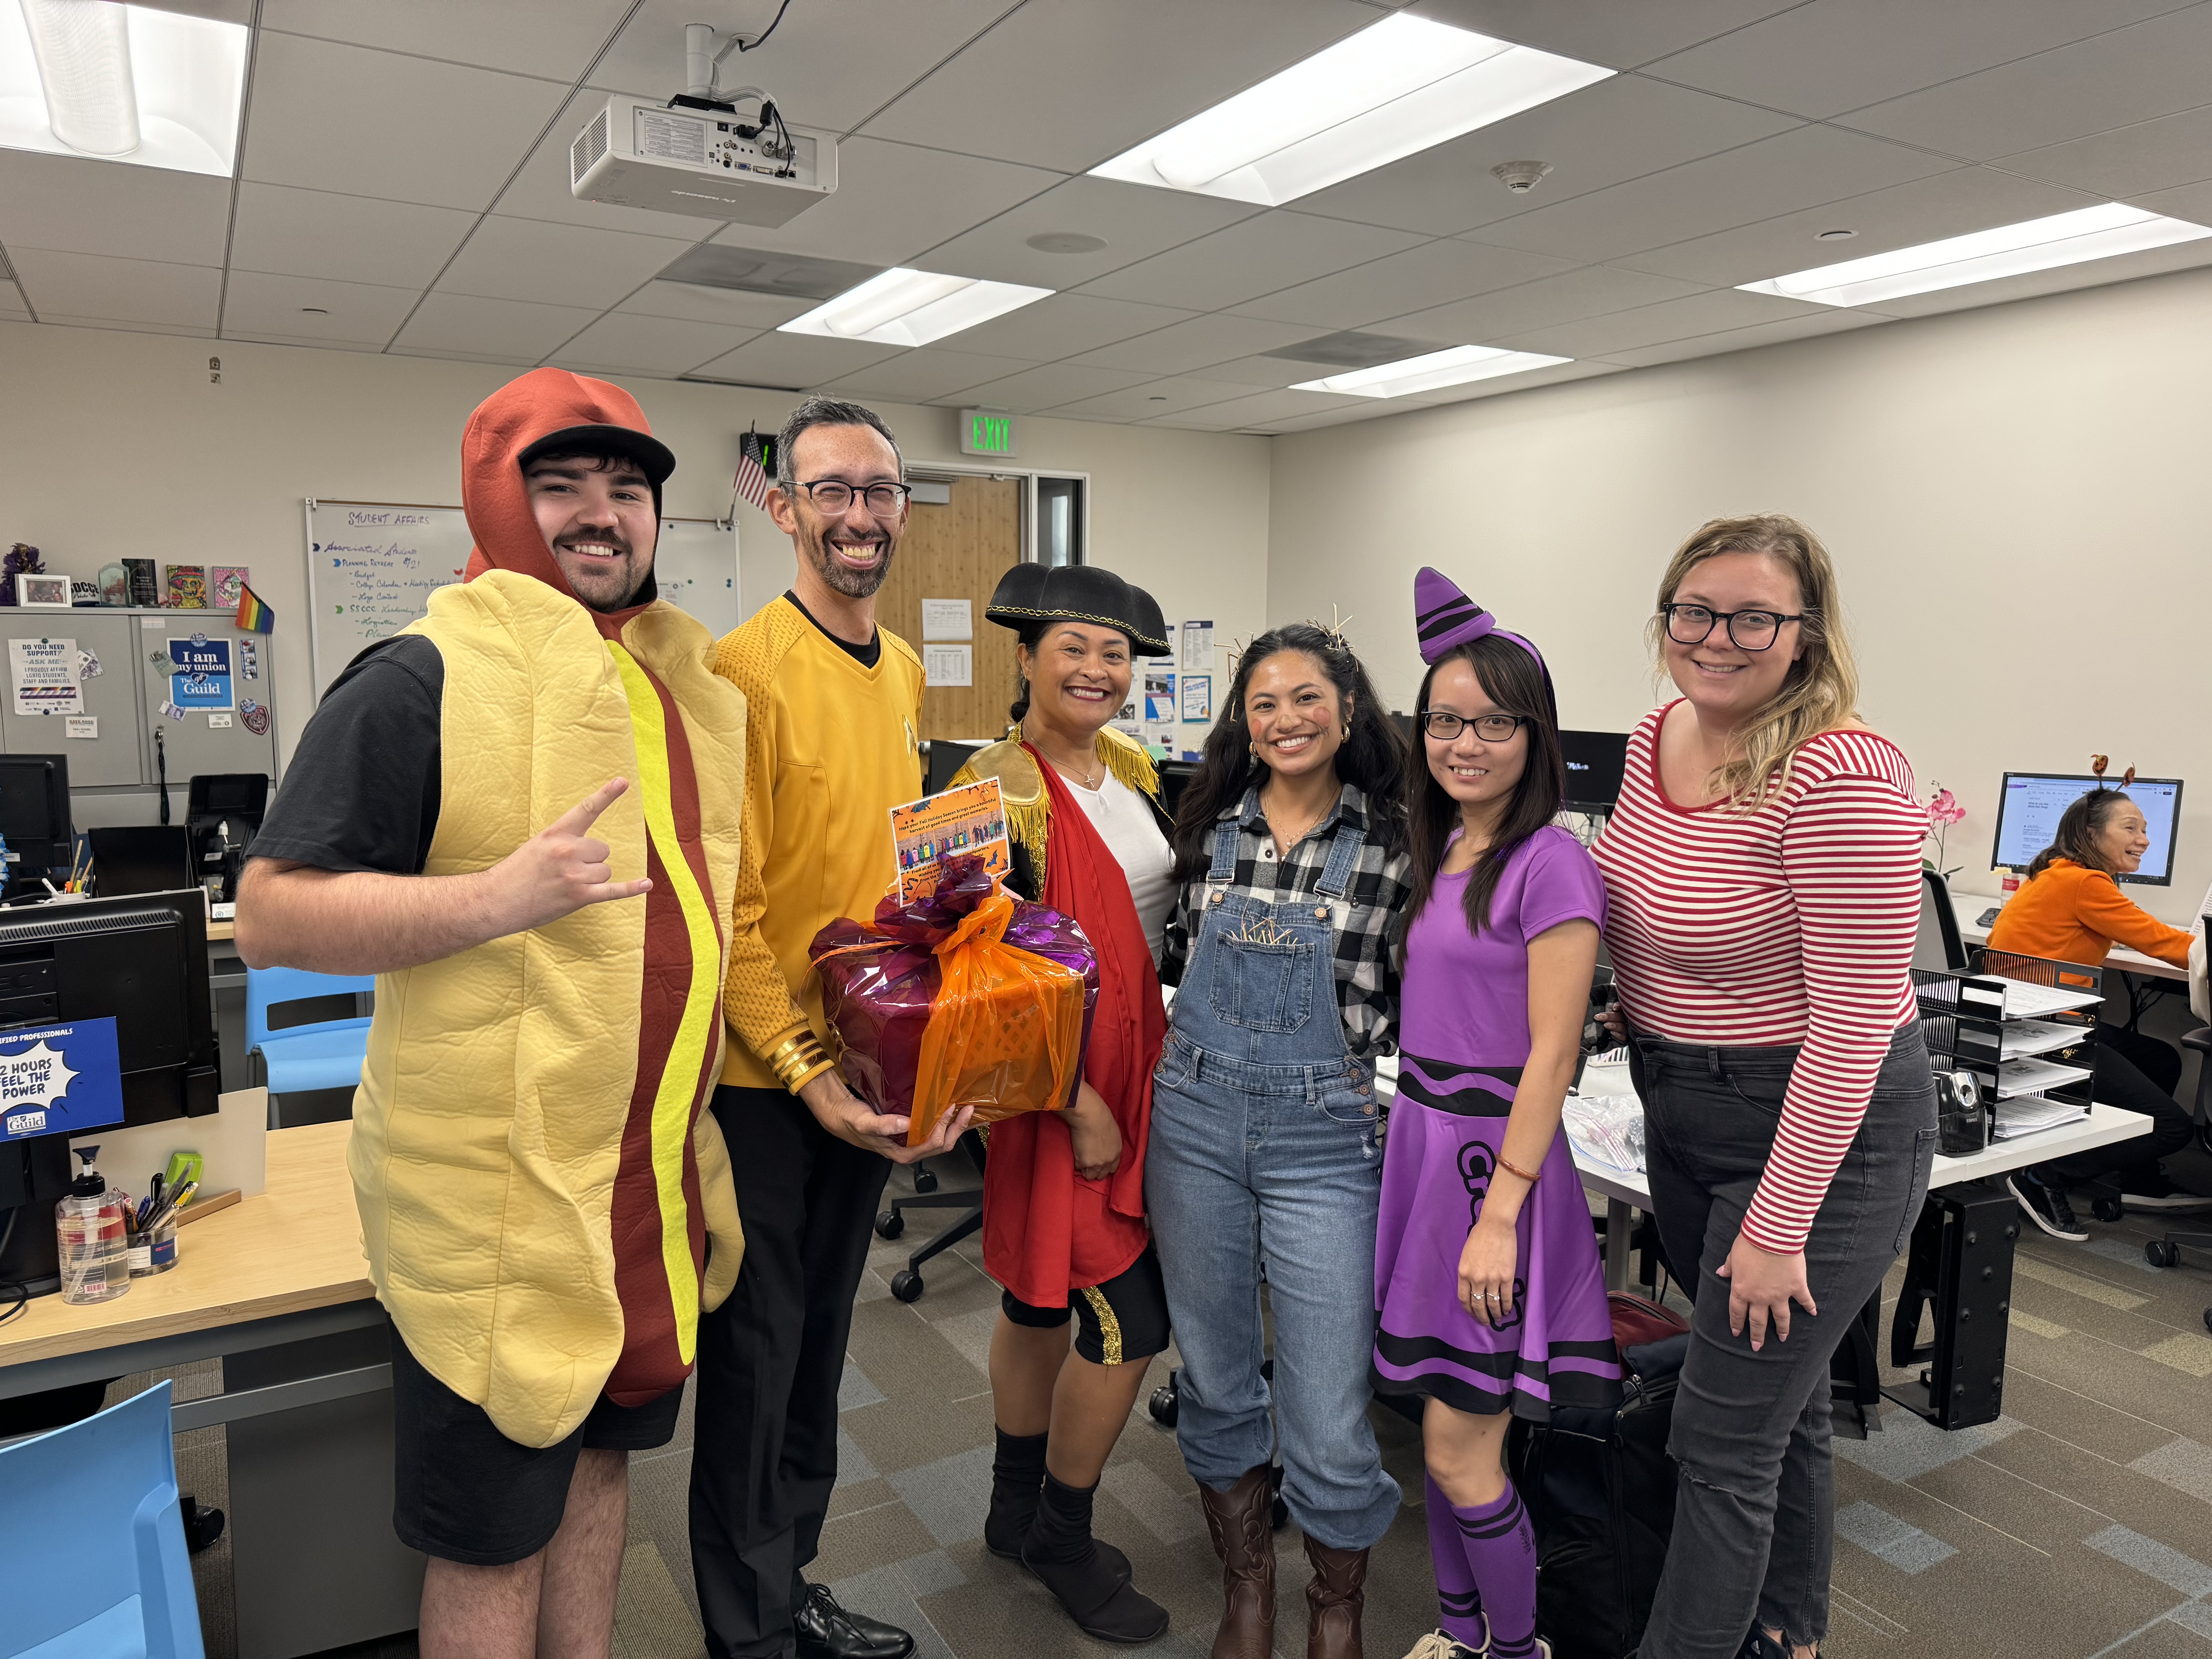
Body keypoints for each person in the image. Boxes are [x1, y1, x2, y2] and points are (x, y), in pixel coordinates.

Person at [237, 368, 748, 1658]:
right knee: (489, 1539)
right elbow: (272, 914)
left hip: (638, 1197)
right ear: (495, 497)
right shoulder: (419, 675)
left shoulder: (672, 681)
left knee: (595, 1480)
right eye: (561, 482)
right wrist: (491, 900)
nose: (600, 512)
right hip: (493, 1213)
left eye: (627, 487)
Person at [1591, 515, 1936, 1659]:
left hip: (1814, 1134)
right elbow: (1634, 912)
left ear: (1803, 633)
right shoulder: (1652, 741)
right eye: (1694, 610)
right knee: (1771, 1414)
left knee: (1718, 1439)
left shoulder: (1838, 773)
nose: (1717, 637)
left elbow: (1847, 1027)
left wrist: (1781, 1223)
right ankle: (1785, 1633)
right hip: (1679, 1114)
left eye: (1753, 617)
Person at [689, 397, 971, 1659]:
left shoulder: (903, 668)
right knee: (755, 1358)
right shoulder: (739, 671)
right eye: (832, 491)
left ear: (901, 507)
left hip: (869, 1070)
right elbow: (735, 908)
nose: (859, 514)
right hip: (769, 1086)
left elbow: (889, 884)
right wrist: (805, 1071)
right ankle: (746, 1635)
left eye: (880, 489)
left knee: (819, 1349)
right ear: (788, 507)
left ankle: (788, 1583)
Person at [1146, 622, 1413, 1659]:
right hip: (1196, 1118)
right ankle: (1247, 1583)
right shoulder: (1209, 823)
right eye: (1264, 703)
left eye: (1308, 697)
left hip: (1329, 1135)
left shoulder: (1397, 838)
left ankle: (1335, 1606)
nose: (1286, 718)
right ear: (1243, 724)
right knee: (1213, 1372)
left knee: (1330, 1403)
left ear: (1349, 710)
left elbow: (1420, 991)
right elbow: (1173, 961)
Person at [1377, 572, 1620, 1659]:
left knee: (1461, 1447)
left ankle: (1518, 1650)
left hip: (1490, 1172)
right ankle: (1462, 1633)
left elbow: (1554, 1054)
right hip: (1425, 1149)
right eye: (1444, 719)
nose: (1463, 741)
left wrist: (1501, 1215)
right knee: (1440, 1428)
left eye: (1491, 721)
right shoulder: (1448, 846)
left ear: (1535, 732)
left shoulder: (1552, 859)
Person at [953, 563, 1178, 1644]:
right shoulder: (990, 787)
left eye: (1116, 652)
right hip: (1060, 1086)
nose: (1097, 668)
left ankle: (1009, 1502)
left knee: (1040, 1302)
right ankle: (1062, 1529)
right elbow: (971, 970)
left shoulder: (1130, 768)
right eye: (1075, 647)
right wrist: (1078, 1095)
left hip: (1141, 1063)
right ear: (1027, 657)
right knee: (1128, 1315)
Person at [1985, 786, 2209, 1237]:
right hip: (2043, 1030)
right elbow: (2168, 946)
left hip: (2023, 1017)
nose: (2144, 839)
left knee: (2160, 1058)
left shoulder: (2056, 872)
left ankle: (2137, 1175)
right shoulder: (2085, 883)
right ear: (2090, 834)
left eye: (2146, 830)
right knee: (2172, 1127)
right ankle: (2042, 1177)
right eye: (2130, 828)